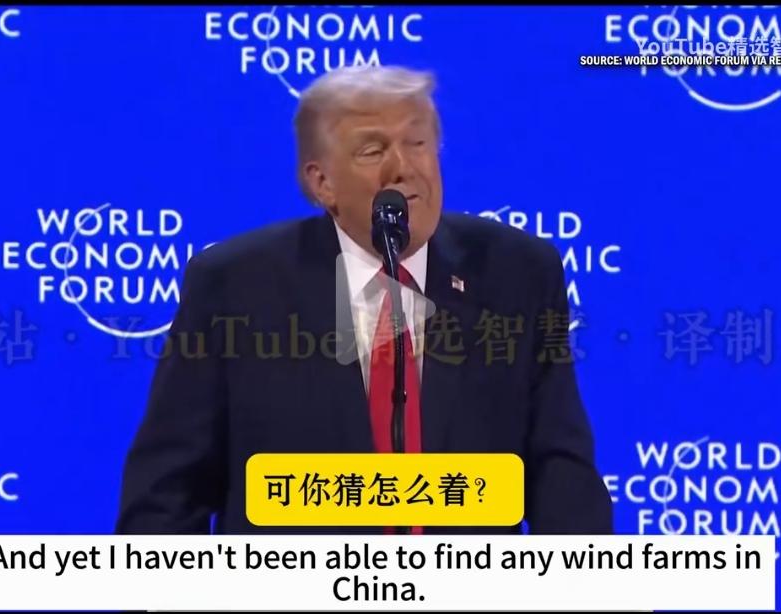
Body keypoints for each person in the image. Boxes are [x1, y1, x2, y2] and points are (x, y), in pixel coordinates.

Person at [115, 65, 613, 535]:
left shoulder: (515, 272)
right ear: (322, 182)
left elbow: (561, 473)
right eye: (373, 151)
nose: (404, 168)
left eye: (418, 143)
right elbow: (166, 494)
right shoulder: (236, 286)